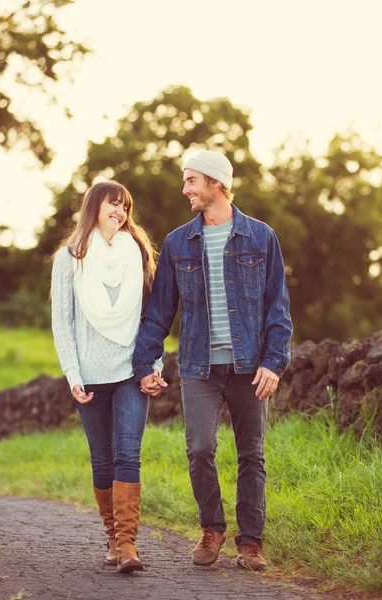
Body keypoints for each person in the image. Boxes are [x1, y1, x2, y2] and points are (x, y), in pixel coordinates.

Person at [133, 150, 293, 571]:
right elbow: (158, 312)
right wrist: (146, 362)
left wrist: (274, 362)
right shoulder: (177, 242)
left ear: (216, 183)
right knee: (200, 448)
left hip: (248, 366)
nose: (185, 189)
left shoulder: (261, 237)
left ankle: (251, 542)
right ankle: (212, 528)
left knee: (251, 454)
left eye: (191, 181)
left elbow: (278, 308)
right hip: (198, 365)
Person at [51, 180, 159, 573]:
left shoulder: (138, 253)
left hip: (132, 371)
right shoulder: (70, 258)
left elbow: (152, 320)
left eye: (125, 206)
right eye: (113, 204)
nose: (120, 212)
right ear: (95, 206)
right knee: (102, 460)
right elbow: (62, 324)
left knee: (128, 453)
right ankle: (113, 537)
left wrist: (154, 366)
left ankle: (128, 545)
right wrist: (72, 374)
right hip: (91, 377)